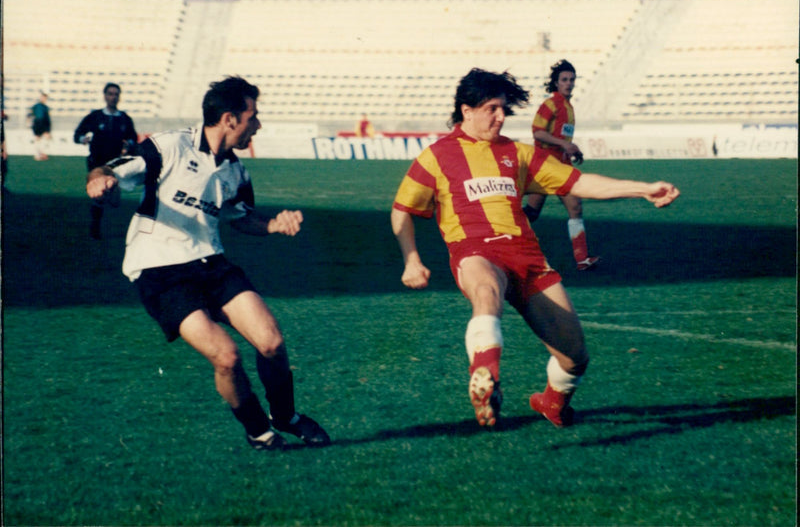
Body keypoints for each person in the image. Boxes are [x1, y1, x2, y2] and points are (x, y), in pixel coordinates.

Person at [391, 68, 679, 429]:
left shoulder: (518, 153)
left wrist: (642, 189)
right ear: (467, 110)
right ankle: (485, 374)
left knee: (575, 356)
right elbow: (403, 209)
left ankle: (551, 402)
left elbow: (579, 181)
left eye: (504, 109)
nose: (501, 117)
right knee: (486, 291)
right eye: (492, 109)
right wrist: (411, 259)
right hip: (476, 251)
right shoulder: (436, 156)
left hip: (527, 259)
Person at [86, 76, 330, 451]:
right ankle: (258, 431)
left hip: (210, 262)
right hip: (159, 269)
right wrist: (99, 183)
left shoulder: (236, 170)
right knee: (227, 356)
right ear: (230, 119)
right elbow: (108, 169)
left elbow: (240, 217)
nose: (258, 126)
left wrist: (273, 225)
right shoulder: (168, 146)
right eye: (254, 116)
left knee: (272, 342)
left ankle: (285, 417)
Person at [523, 60, 599, 271]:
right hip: (544, 166)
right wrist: (564, 143)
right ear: (556, 83)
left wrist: (571, 150)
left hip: (561, 165)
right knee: (531, 213)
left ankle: (582, 259)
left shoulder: (569, 108)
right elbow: (537, 132)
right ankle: (504, 245)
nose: (569, 83)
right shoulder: (550, 104)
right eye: (564, 79)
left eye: (572, 79)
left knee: (575, 207)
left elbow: (562, 136)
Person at [74, 83, 138, 239]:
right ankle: (95, 226)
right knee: (100, 195)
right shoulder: (95, 116)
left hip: (115, 164)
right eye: (110, 94)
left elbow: (133, 138)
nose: (113, 97)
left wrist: (128, 144)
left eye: (116, 94)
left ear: (119, 97)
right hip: (96, 163)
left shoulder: (124, 119)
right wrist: (84, 138)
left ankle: (107, 220)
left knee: (113, 196)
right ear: (104, 96)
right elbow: (77, 134)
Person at [29, 92, 51, 161]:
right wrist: (29, 122)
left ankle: (42, 153)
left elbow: (48, 118)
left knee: (46, 138)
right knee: (37, 139)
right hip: (37, 123)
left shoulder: (46, 107)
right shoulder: (36, 106)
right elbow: (30, 114)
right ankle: (37, 155)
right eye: (42, 97)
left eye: (45, 98)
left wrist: (48, 128)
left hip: (44, 124)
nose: (43, 99)